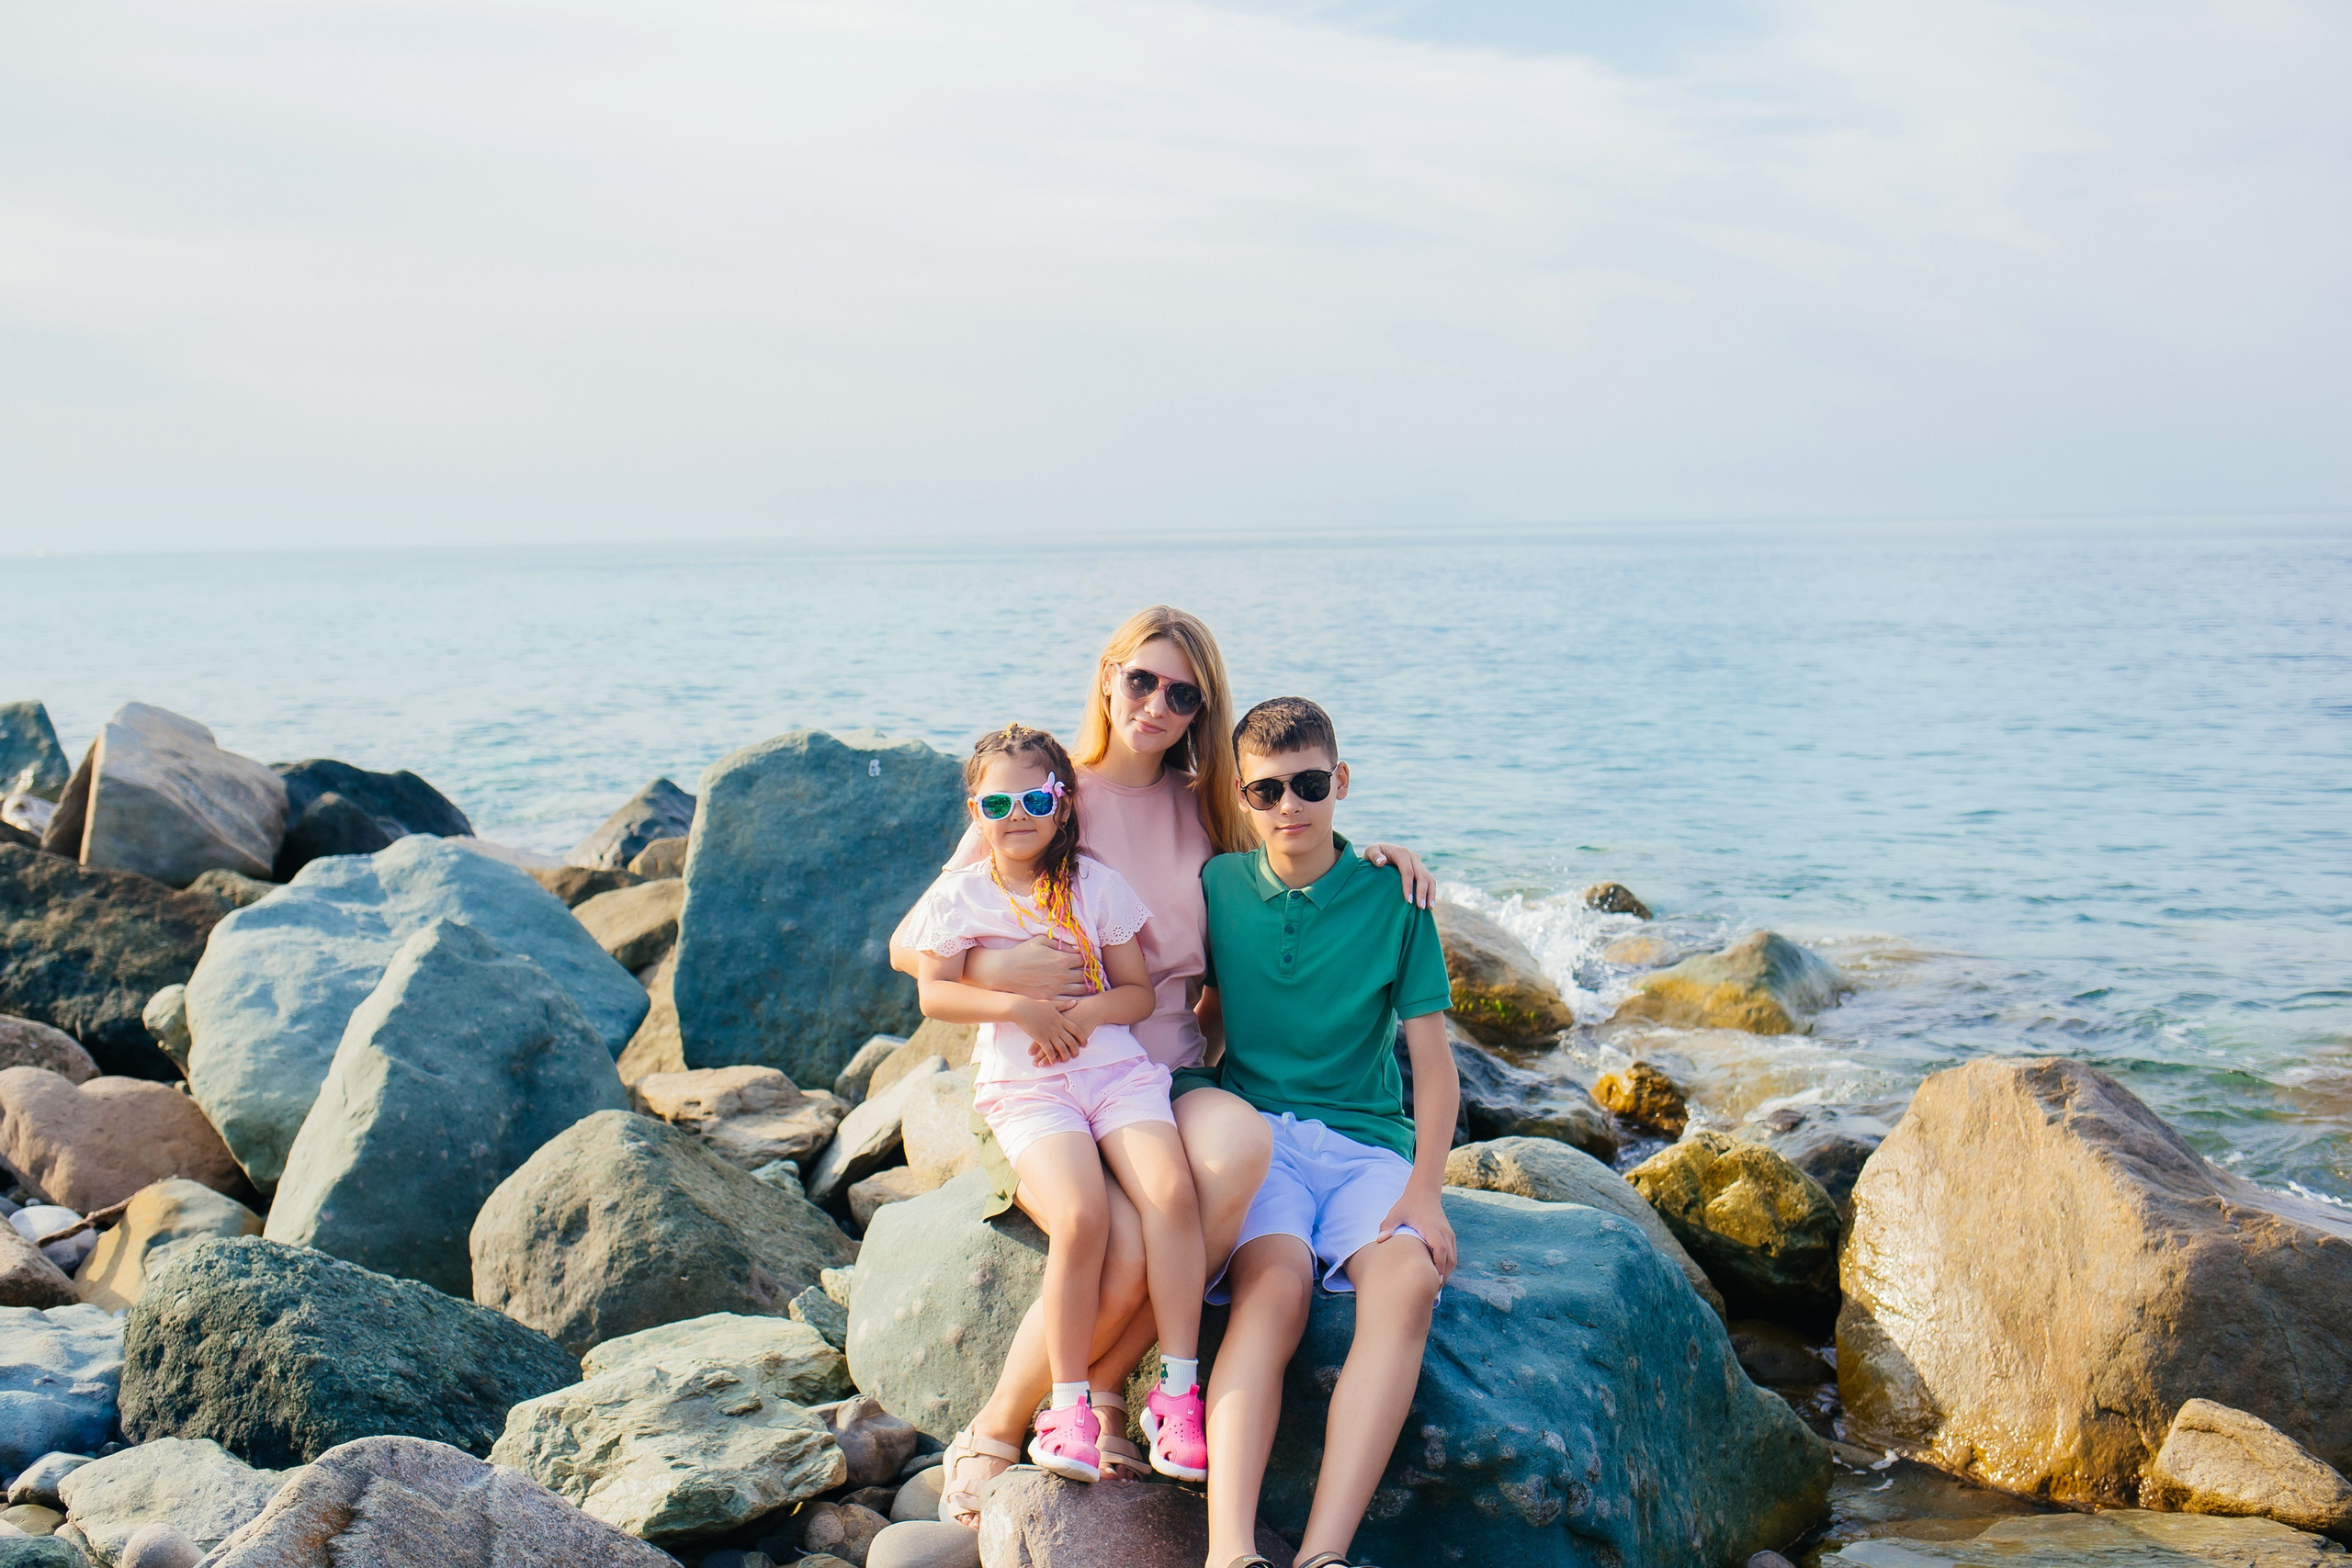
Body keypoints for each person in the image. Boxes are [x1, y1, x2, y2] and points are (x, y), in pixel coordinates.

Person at [886, 606, 1435, 1522]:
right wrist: (999, 971)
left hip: (1164, 1076)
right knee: (1122, 1236)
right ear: (1107, 676)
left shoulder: (1203, 802)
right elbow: (923, 939)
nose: (1157, 703)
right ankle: (994, 1425)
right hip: (1048, 1074)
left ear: (1199, 712)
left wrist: (1388, 862)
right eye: (1141, 679)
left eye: (1183, 693)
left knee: (1233, 1160)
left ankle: (1103, 1393)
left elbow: (1286, 852)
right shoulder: (1046, 789)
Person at [899, 723, 1211, 1482]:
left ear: (1063, 802)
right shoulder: (962, 895)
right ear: (976, 809)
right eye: (998, 800)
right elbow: (933, 991)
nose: (1018, 814)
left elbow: (1138, 991)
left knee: (1172, 1193)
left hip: (1116, 1074)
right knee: (1082, 1216)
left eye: (1035, 797)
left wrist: (1086, 1013)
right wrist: (1021, 1006)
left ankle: (1178, 1392)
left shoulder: (1096, 884)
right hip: (1030, 1085)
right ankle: (1066, 1407)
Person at [1193, 696, 1458, 1568]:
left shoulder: (1397, 895)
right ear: (1242, 795)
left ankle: (1322, 1555)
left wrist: (1427, 1189)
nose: (1290, 807)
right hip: (1260, 1137)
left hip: (1366, 1147)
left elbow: (1434, 1061)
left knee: (1409, 1280)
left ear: (1340, 781)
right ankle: (1231, 1553)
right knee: (1273, 1295)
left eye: (1310, 784)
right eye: (1268, 791)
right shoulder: (1219, 886)